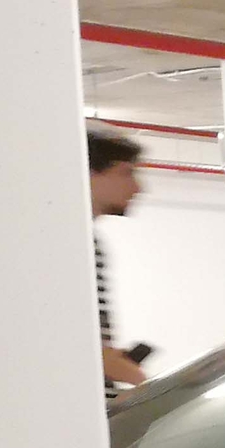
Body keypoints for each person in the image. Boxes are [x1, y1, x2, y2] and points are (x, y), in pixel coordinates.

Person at [88, 129, 147, 393]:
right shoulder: (71, 245)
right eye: (126, 173)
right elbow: (77, 344)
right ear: (88, 174)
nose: (137, 187)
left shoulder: (83, 241)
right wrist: (148, 387)